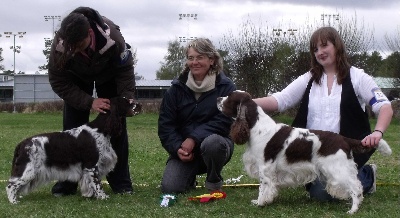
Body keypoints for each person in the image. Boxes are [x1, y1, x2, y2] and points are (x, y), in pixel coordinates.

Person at [253, 26, 393, 201]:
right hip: (313, 152)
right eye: (315, 49)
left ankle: (367, 175)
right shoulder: (309, 78)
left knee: (325, 195)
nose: (319, 52)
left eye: (324, 46)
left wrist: (378, 132)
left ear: (337, 46)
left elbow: (384, 106)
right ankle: (327, 177)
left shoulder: (358, 77)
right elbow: (280, 100)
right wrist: (246, 102)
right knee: (321, 191)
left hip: (346, 150)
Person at [48, 7, 135, 196]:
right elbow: (58, 81)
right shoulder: (60, 46)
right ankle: (67, 183)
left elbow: (125, 70)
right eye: (70, 46)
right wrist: (89, 102)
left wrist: (125, 99)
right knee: (71, 131)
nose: (74, 50)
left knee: (116, 127)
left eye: (78, 45)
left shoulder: (113, 38)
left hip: (109, 75)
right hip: (76, 79)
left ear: (89, 33)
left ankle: (121, 183)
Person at [158, 38, 237, 194]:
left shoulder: (226, 86)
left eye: (200, 57)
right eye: (191, 58)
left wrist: (193, 138)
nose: (195, 62)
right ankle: (189, 177)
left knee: (213, 143)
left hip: (215, 145)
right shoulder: (175, 89)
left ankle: (213, 180)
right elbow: (165, 125)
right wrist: (177, 148)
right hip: (185, 149)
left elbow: (225, 120)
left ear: (212, 60)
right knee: (170, 188)